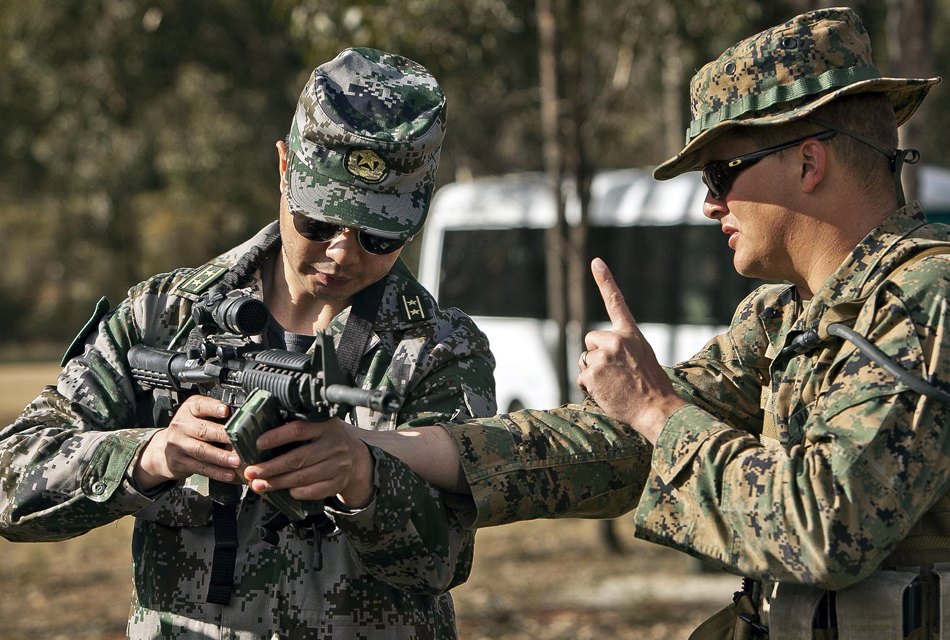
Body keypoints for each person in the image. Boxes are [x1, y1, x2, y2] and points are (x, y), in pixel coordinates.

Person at [351, 8, 950, 638]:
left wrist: (655, 409)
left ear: (808, 164)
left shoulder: (925, 299)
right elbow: (618, 445)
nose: (709, 202)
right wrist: (387, 450)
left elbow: (826, 529)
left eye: (721, 172)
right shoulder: (785, 315)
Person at [0, 48, 496, 640]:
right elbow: (11, 481)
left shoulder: (440, 349)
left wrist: (364, 480)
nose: (341, 252)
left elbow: (442, 561)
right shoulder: (164, 315)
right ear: (284, 169)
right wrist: (149, 457)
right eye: (319, 221)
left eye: (378, 234)